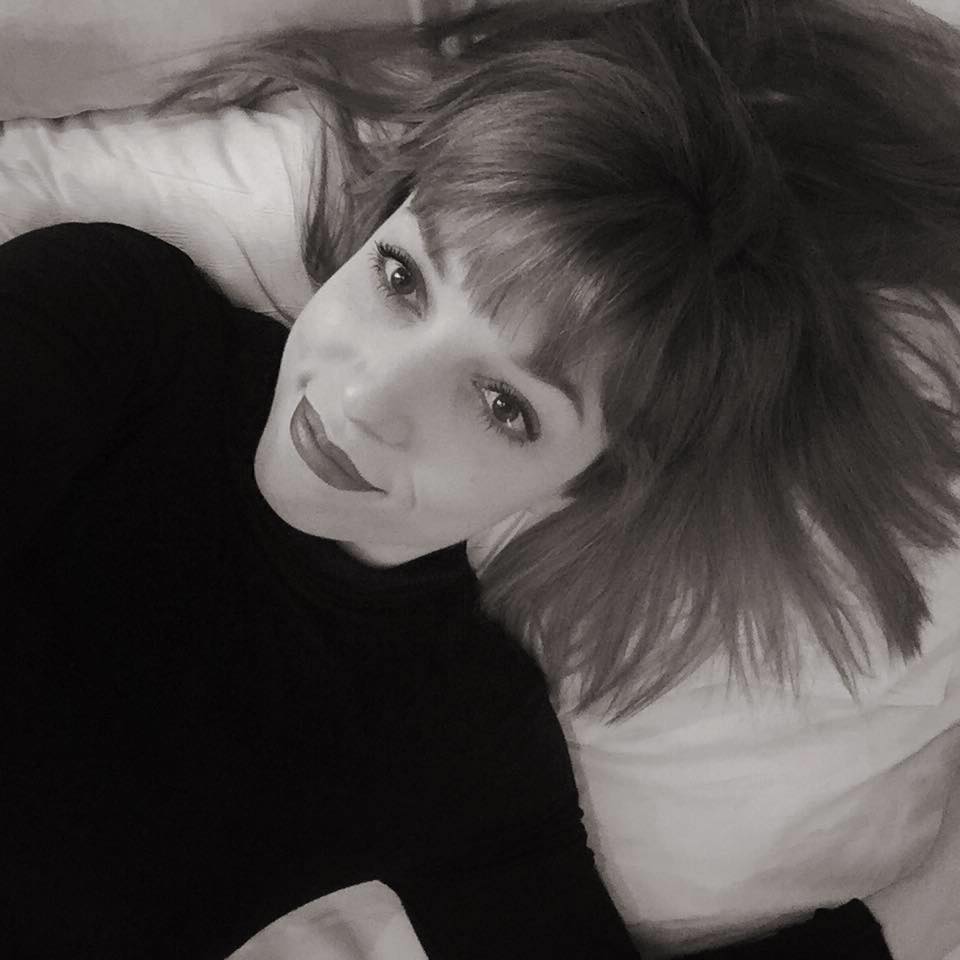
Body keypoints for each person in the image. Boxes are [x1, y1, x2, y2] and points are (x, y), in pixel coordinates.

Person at [3, 1, 958, 957]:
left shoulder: (454, 728)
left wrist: (929, 902)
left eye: (504, 405)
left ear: (592, 478)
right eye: (401, 280)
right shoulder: (116, 328)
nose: (368, 397)